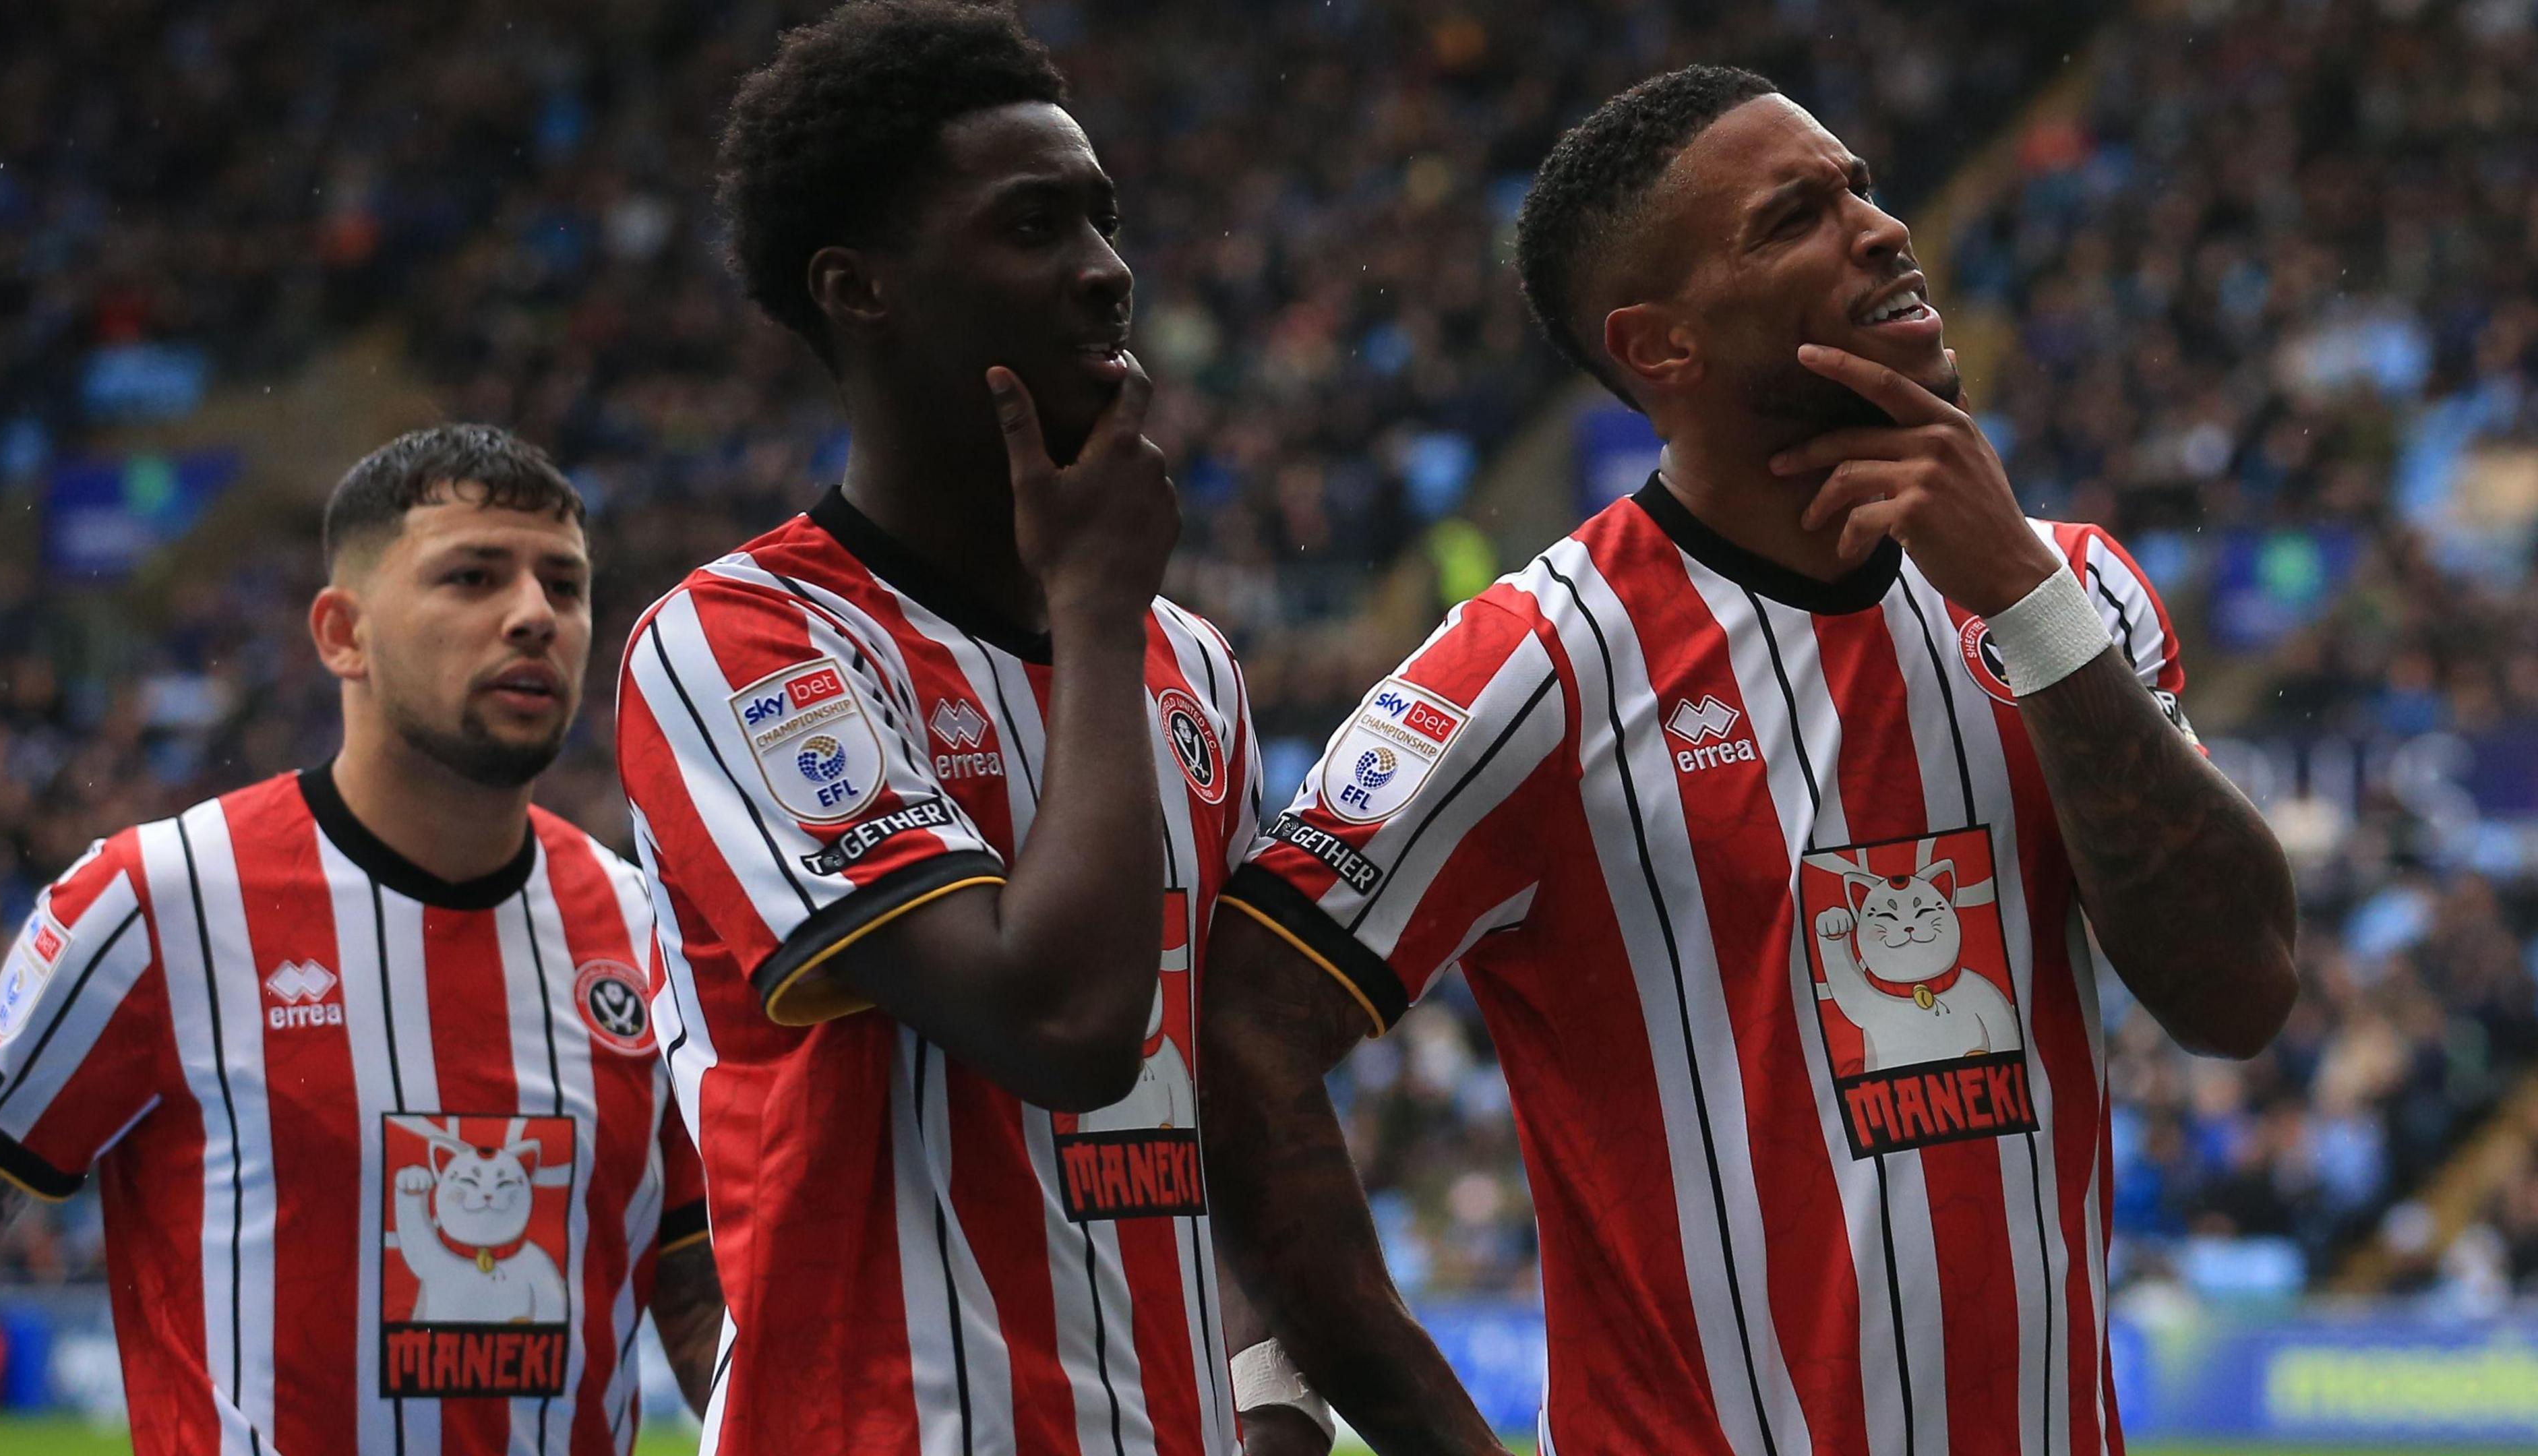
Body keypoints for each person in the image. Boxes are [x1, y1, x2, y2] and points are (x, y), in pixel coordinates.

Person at [1203, 67, 2301, 1455]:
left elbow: (2241, 990)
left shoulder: (2065, 594)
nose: (1882, 228)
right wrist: (1345, 1405)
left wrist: (2026, 601)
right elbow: (1237, 1027)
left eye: (1860, 188)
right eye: (1796, 218)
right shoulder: (1536, 664)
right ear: (1661, 346)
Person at [612, 5, 1306, 1453]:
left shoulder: (1191, 665)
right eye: (1036, 227)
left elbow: (1229, 1085)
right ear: (861, 290)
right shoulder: (744, 641)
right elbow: (1056, 1028)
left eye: (1105, 222)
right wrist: (1101, 611)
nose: (1108, 274)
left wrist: (1277, 1401)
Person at [0, 424, 725, 1452]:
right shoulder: (156, 903)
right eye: (473, 577)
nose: (536, 616)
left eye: (566, 586)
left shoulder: (650, 933)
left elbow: (694, 1284)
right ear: (340, 635)